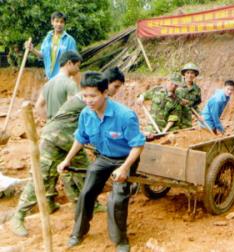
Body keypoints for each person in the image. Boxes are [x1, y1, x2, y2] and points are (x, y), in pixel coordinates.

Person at [9, 68, 125, 237]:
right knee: (45, 176)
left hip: (67, 139)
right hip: (56, 138)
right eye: (116, 86)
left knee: (81, 172)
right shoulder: (91, 100)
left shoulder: (94, 99)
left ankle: (76, 203)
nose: (116, 91)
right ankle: (17, 217)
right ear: (106, 86)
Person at [56, 71, 144, 252]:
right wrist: (67, 160)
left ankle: (120, 241)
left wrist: (125, 168)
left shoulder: (125, 116)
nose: (88, 100)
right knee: (86, 192)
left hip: (125, 159)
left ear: (105, 93)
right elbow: (80, 138)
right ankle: (78, 232)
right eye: (85, 95)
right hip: (103, 158)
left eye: (93, 96)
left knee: (116, 199)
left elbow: (137, 146)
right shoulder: (86, 114)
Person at [25, 11, 77, 79]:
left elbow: (74, 61)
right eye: (57, 21)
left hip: (63, 78)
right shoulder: (48, 38)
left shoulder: (70, 40)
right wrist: (32, 49)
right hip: (50, 77)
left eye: (61, 22)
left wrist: (71, 77)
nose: (59, 24)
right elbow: (42, 55)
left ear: (64, 24)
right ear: (52, 22)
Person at [35, 50, 82, 121]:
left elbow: (38, 106)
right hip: (65, 129)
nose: (78, 69)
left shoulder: (48, 84)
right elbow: (73, 110)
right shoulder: (70, 84)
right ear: (69, 63)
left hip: (50, 128)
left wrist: (48, 122)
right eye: (77, 66)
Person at [176, 63, 202, 128]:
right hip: (175, 118)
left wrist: (200, 115)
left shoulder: (197, 89)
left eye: (192, 73)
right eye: (187, 73)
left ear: (195, 75)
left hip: (187, 121)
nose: (190, 75)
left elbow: (195, 105)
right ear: (184, 74)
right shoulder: (177, 86)